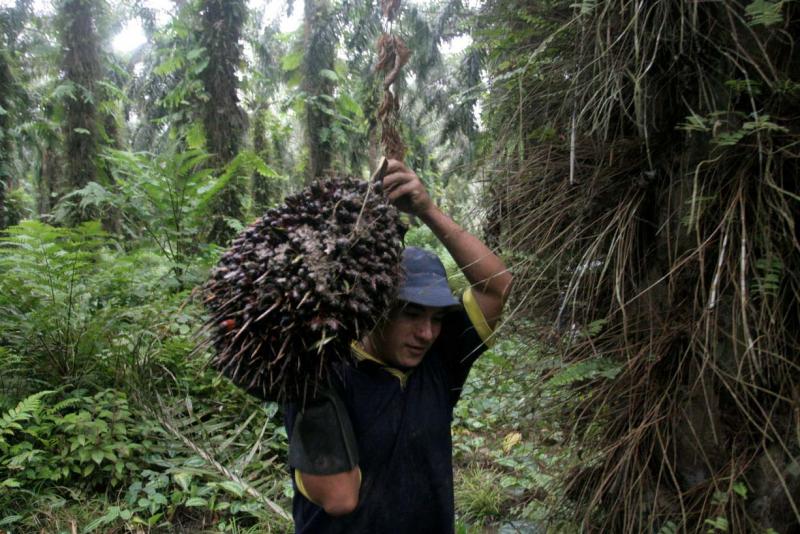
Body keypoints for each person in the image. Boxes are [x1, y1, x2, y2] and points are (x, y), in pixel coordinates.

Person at [284, 159, 513, 533]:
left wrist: (427, 210)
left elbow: (497, 286)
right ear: (375, 308)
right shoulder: (323, 371)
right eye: (412, 314)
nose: (426, 333)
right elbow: (340, 498)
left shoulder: (440, 363)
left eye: (437, 318)